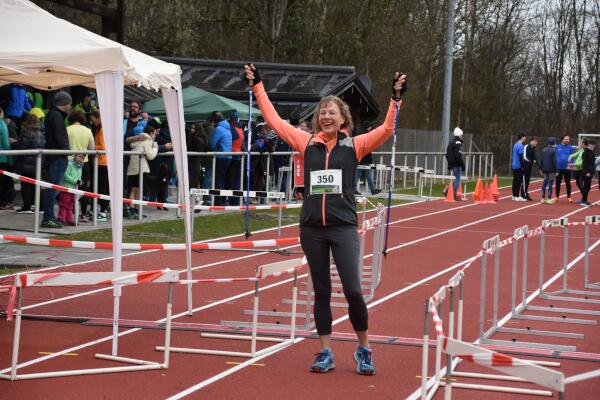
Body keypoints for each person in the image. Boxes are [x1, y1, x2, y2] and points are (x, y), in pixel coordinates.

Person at [245, 63, 406, 375]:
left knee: (353, 290)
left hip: (343, 227)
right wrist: (258, 87)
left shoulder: (354, 145)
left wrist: (395, 99)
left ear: (343, 119)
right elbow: (274, 121)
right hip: (312, 229)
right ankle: (325, 351)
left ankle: (364, 349)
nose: (327, 116)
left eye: (332, 112)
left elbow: (387, 130)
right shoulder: (305, 143)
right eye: (323, 113)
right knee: (321, 291)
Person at [42, 91, 72, 228]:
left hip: (55, 156)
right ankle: (48, 217)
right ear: (64, 103)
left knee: (54, 188)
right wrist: (67, 149)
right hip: (57, 157)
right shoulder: (56, 116)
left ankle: (50, 216)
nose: (70, 106)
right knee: (53, 189)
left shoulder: (53, 114)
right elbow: (59, 136)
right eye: (69, 103)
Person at [66, 110, 95, 222]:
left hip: (69, 162)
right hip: (84, 162)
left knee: (68, 189)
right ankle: (83, 214)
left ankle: (69, 213)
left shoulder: (66, 129)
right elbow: (92, 148)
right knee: (83, 189)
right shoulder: (87, 131)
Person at [13, 113, 45, 213]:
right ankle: (40, 206)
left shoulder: (26, 132)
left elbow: (22, 148)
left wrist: (15, 143)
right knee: (36, 185)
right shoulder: (40, 134)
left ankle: (27, 206)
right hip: (38, 163)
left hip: (26, 163)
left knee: (26, 185)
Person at [127, 125, 158, 219]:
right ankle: (137, 211)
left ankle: (132, 211)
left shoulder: (137, 139)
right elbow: (150, 156)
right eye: (155, 134)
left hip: (133, 167)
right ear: (151, 133)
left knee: (133, 189)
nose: (155, 136)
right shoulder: (147, 140)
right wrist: (155, 148)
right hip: (141, 168)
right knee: (139, 190)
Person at [209, 111, 232, 205]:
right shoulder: (227, 127)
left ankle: (218, 201)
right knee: (224, 180)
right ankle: (222, 200)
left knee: (218, 180)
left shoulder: (219, 128)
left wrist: (215, 149)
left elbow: (212, 144)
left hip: (220, 157)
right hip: (228, 156)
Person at [90, 111, 109, 221]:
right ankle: (99, 210)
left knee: (101, 187)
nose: (92, 122)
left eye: (93, 120)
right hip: (101, 161)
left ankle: (102, 211)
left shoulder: (102, 130)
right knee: (100, 187)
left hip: (102, 162)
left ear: (99, 118)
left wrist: (91, 146)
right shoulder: (100, 129)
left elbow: (102, 146)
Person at [57, 154, 84, 226]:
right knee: (64, 203)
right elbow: (65, 176)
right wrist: (76, 181)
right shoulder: (69, 164)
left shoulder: (80, 167)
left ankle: (69, 219)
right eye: (79, 156)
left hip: (74, 189)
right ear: (74, 156)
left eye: (82, 158)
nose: (80, 159)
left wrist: (80, 181)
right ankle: (61, 218)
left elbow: (79, 177)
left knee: (71, 204)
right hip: (67, 187)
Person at [354, 123, 380, 196]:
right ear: (369, 127)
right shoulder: (366, 135)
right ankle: (373, 190)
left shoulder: (360, 134)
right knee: (368, 175)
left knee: (358, 175)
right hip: (365, 158)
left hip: (360, 158)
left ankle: (353, 189)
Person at [226, 111, 244, 205]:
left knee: (231, 179)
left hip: (233, 156)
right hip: (239, 156)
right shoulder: (240, 129)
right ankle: (235, 200)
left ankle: (232, 200)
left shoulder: (232, 129)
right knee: (237, 180)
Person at [0, 107, 15, 210]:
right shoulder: (2, 124)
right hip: (2, 158)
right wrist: (10, 159)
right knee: (4, 182)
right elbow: (5, 144)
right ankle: (3, 203)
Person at [445, 127, 465, 200]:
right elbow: (458, 155)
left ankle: (447, 191)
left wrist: (449, 166)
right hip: (457, 164)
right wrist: (462, 165)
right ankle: (454, 194)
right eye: (461, 135)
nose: (462, 136)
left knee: (456, 179)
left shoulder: (451, 142)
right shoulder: (458, 143)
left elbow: (447, 155)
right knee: (458, 180)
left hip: (452, 164)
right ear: (459, 135)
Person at [554, 135, 575, 203]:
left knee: (568, 183)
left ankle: (569, 197)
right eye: (566, 139)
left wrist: (572, 164)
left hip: (567, 168)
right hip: (558, 168)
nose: (567, 140)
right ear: (562, 139)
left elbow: (573, 157)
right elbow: (554, 157)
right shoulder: (557, 147)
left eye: (568, 139)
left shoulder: (570, 148)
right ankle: (557, 197)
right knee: (558, 183)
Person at [539, 137, 557, 204]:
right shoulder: (553, 150)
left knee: (544, 182)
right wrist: (556, 170)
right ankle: (549, 198)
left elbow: (541, 160)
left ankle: (543, 198)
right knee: (550, 183)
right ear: (554, 143)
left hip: (544, 169)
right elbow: (554, 161)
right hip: (551, 170)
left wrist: (540, 169)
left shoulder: (543, 150)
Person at [578, 139, 596, 206]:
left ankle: (584, 200)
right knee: (586, 187)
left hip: (590, 172)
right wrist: (587, 172)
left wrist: (593, 172)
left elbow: (592, 164)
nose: (593, 147)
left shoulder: (592, 152)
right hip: (586, 173)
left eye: (594, 146)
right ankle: (583, 201)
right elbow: (584, 164)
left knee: (588, 187)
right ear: (589, 145)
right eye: (592, 145)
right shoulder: (585, 152)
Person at [511, 133, 527, 201]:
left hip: (514, 165)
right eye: (525, 137)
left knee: (515, 180)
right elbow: (521, 157)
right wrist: (523, 166)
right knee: (519, 181)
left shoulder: (515, 144)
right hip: (518, 165)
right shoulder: (521, 146)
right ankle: (517, 196)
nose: (525, 138)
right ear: (522, 137)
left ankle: (514, 195)